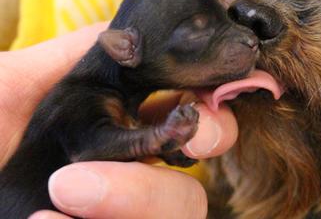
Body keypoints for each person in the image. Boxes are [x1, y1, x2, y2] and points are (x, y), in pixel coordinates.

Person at [0, 23, 239, 219]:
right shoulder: (76, 97)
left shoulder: (122, 100)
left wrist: (164, 146)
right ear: (123, 48)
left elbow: (112, 150)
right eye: (194, 38)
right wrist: (158, 137)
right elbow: (92, 147)